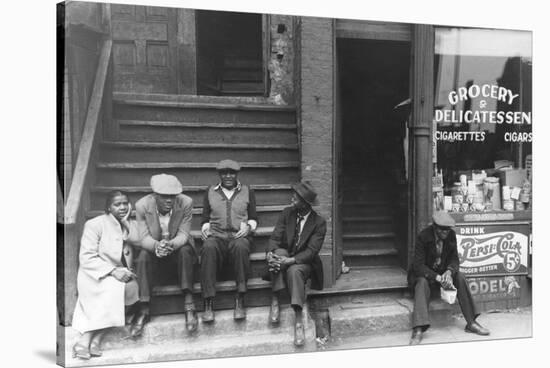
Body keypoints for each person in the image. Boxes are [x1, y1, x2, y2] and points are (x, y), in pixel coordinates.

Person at [71, 191, 139, 360]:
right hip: (96, 275)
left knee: (132, 290)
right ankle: (87, 338)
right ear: (108, 207)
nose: (122, 207)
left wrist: (125, 222)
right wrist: (113, 271)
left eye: (125, 203)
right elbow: (86, 258)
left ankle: (96, 338)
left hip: (122, 274)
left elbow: (139, 240)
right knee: (111, 291)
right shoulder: (95, 224)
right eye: (117, 204)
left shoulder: (131, 224)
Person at [409, 210, 490, 345]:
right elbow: (418, 266)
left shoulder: (451, 235)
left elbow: (454, 259)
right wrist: (437, 277)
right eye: (443, 230)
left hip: (442, 274)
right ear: (435, 227)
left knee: (460, 276)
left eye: (448, 230)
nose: (446, 232)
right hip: (426, 275)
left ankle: (471, 322)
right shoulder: (423, 237)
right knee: (422, 282)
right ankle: (418, 329)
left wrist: (449, 271)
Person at [133, 174, 197, 335]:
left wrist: (170, 245)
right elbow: (143, 237)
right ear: (155, 196)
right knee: (142, 256)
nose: (169, 200)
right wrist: (156, 246)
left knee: (186, 250)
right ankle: (144, 308)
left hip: (177, 250)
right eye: (164, 196)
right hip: (155, 253)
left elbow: (183, 234)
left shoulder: (186, 202)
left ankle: (189, 304)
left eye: (173, 196)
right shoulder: (142, 205)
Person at [266, 181, 326, 347]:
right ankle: (276, 298)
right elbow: (275, 238)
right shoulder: (287, 213)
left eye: (297, 196)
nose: (292, 197)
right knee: (278, 254)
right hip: (285, 254)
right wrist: (270, 254)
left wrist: (290, 261)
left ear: (306, 203)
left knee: (294, 271)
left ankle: (298, 320)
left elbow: (311, 252)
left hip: (304, 262)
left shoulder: (319, 223)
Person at [200, 159, 258, 322]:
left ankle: (240, 298)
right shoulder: (210, 191)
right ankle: (208, 301)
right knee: (208, 247)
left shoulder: (247, 191)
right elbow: (205, 218)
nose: (228, 176)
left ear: (237, 174)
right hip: (217, 237)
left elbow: (253, 217)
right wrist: (205, 229)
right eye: (224, 173)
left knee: (241, 247)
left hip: (238, 237)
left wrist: (249, 227)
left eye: (231, 172)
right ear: (219, 175)